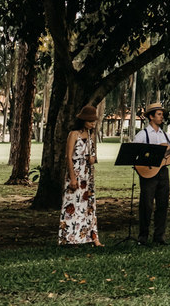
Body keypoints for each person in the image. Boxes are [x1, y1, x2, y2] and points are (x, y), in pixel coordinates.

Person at [133, 102, 170, 247]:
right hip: (148, 173)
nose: (162, 117)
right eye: (159, 114)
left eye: (162, 115)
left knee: (162, 204)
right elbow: (134, 153)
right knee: (146, 205)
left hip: (163, 172)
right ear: (151, 117)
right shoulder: (142, 134)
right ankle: (143, 237)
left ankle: (159, 237)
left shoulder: (165, 135)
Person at [60, 104, 102, 247]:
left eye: (94, 121)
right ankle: (71, 237)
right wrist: (72, 177)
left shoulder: (91, 136)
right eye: (90, 121)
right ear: (83, 121)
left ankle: (92, 237)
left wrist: (92, 159)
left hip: (87, 175)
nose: (93, 123)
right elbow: (68, 157)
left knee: (88, 205)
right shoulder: (74, 134)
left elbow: (93, 156)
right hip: (76, 172)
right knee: (73, 203)